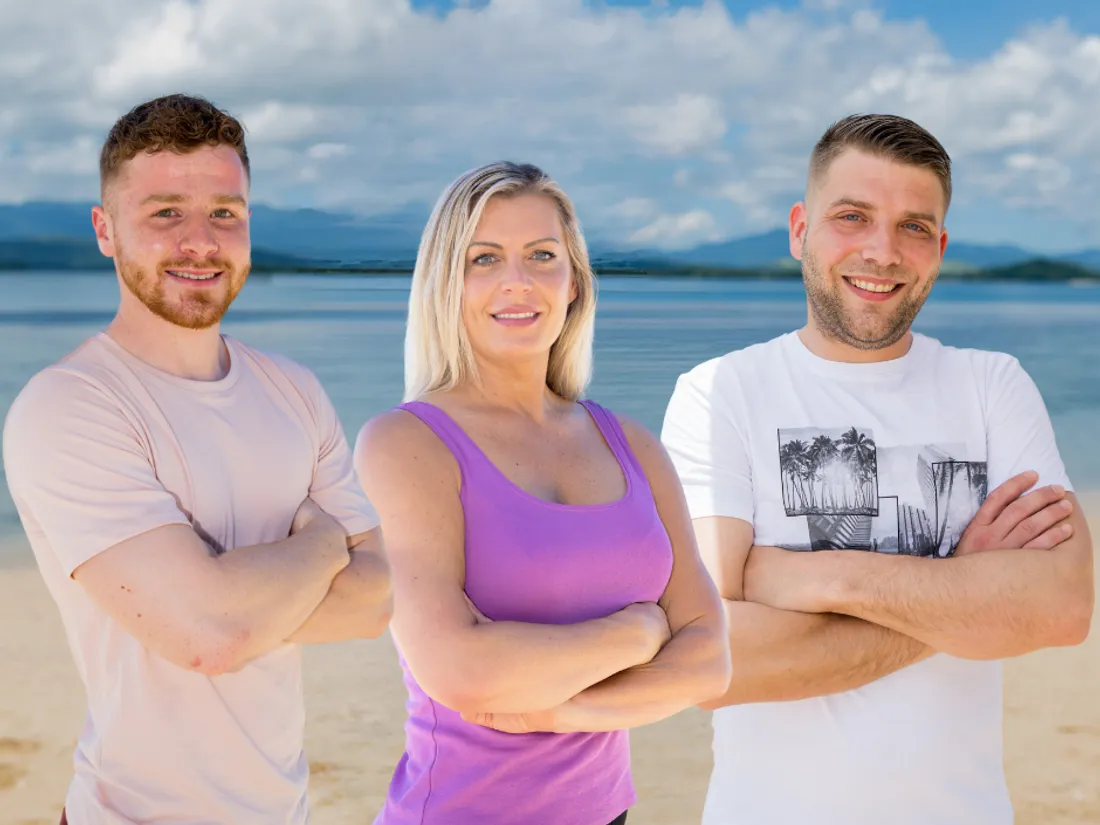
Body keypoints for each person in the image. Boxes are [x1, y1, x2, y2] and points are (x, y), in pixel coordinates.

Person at [661, 113, 1094, 825]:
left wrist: (821, 578)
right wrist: (965, 584)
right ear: (800, 229)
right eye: (852, 217)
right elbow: (708, 663)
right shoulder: (721, 392)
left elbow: (1062, 609)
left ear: (940, 248)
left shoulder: (992, 385)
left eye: (913, 227)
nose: (882, 251)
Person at [2, 94, 392, 825]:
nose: (201, 242)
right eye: (165, 213)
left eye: (224, 212)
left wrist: (230, 602)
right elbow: (208, 637)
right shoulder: (70, 405)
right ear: (105, 230)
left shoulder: (294, 391)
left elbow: (374, 600)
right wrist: (322, 543)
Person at [355, 161, 731, 825]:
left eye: (542, 255)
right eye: (484, 258)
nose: (518, 281)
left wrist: (557, 712)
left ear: (574, 282)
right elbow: (458, 670)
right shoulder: (405, 444)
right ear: (445, 282)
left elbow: (709, 662)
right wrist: (637, 632)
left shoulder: (632, 445)